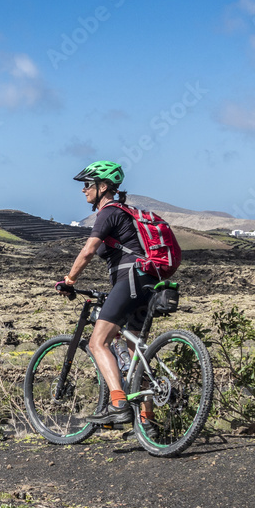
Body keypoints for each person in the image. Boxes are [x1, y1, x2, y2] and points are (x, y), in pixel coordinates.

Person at [57, 160, 156, 427]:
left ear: (103, 187)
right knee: (137, 353)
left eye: (88, 185)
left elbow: (89, 251)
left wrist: (69, 279)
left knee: (96, 343)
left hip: (130, 280)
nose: (83, 190)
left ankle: (118, 404)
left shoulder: (109, 212)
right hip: (148, 282)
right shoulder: (126, 212)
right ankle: (147, 423)